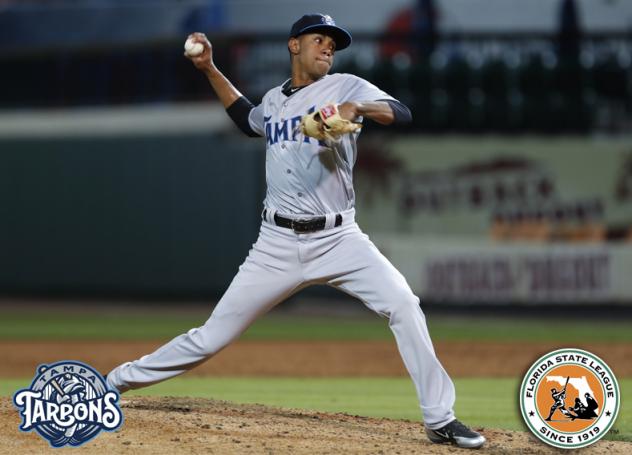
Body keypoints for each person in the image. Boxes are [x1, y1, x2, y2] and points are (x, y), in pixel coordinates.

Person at [105, 13, 485, 449]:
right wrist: (209, 68)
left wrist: (357, 108)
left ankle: (440, 418)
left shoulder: (346, 85)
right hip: (276, 245)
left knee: (403, 303)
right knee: (210, 337)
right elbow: (246, 118)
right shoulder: (274, 100)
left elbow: (402, 112)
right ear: (294, 46)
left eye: (332, 44)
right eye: (319, 40)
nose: (328, 48)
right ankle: (111, 385)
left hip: (339, 238)